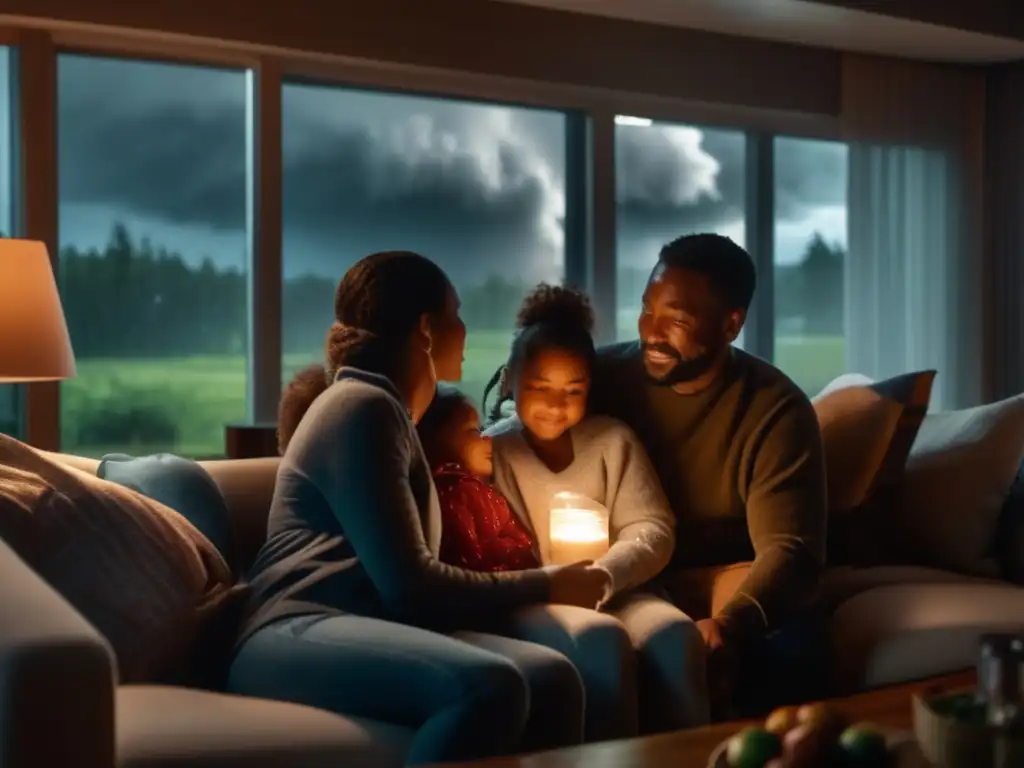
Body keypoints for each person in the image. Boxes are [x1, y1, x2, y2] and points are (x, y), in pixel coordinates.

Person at [228, 251, 611, 765]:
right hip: (294, 630)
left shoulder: (390, 412)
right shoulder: (362, 407)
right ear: (426, 330)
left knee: (556, 678)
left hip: (359, 626)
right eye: (457, 314)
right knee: (488, 687)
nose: (465, 327)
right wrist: (550, 582)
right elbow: (412, 588)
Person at [587, 233, 828, 715]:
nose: (651, 332)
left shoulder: (774, 410)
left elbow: (790, 549)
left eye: (676, 319)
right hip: (623, 573)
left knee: (794, 652)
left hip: (726, 580)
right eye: (647, 309)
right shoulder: (598, 378)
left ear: (730, 324)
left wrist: (734, 623)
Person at [481, 284, 709, 737]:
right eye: (539, 386)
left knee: (677, 638)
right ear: (510, 380)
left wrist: (604, 575)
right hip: (537, 599)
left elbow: (653, 527)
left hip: (618, 587)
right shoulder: (491, 452)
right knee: (600, 643)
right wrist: (555, 585)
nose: (555, 404)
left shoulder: (611, 441)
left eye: (573, 390)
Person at [416, 384, 539, 572]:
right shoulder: (458, 492)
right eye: (474, 432)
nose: (488, 439)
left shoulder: (467, 488)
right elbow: (470, 558)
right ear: (437, 442)